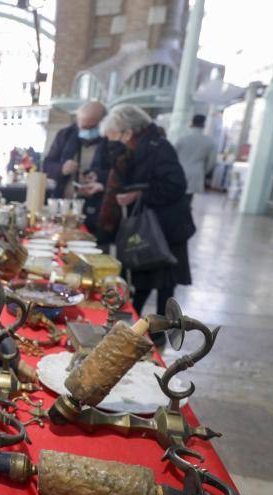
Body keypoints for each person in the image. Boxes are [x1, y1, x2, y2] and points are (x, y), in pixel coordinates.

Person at [98, 104, 195, 336]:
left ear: (128, 132)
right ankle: (132, 330)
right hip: (148, 226)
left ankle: (158, 334)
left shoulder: (159, 147)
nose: (114, 144)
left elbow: (176, 185)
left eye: (116, 138)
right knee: (140, 280)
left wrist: (139, 194)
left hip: (164, 229)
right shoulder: (137, 148)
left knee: (163, 286)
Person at [43, 101, 108, 198]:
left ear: (103, 122)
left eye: (92, 127)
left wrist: (98, 176)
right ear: (78, 121)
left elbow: (119, 175)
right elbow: (47, 166)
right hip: (64, 198)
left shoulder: (111, 139)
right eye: (84, 127)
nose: (88, 131)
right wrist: (62, 169)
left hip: (97, 201)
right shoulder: (65, 135)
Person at [174, 114, 217, 204]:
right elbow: (212, 162)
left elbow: (173, 155)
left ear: (191, 124)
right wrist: (203, 170)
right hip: (196, 173)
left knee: (176, 197)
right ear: (204, 125)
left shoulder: (182, 139)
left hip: (179, 171)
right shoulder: (209, 142)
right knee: (188, 199)